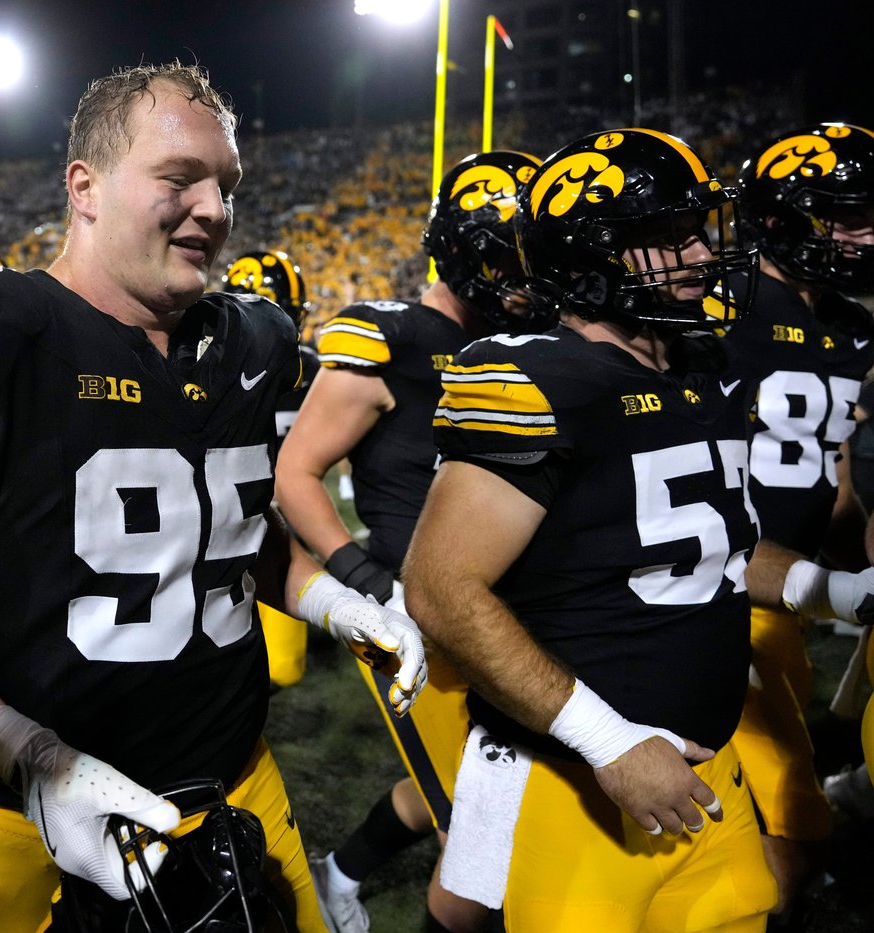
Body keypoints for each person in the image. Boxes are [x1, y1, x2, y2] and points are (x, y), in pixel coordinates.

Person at [0, 62, 424, 931]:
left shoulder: (250, 337)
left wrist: (331, 601)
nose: (213, 208)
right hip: (33, 818)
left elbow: (223, 523)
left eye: (226, 185)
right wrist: (28, 757)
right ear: (83, 187)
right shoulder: (0, 335)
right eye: (178, 178)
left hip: (237, 780)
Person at [405, 129, 781, 930]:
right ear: (589, 257)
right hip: (579, 780)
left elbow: (716, 552)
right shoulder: (542, 377)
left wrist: (838, 589)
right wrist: (608, 741)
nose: (699, 251)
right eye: (666, 238)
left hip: (710, 769)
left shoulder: (701, 364)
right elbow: (439, 587)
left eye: (697, 229)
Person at [276, 150, 548, 933]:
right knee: (483, 816)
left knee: (482, 782)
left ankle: (342, 870)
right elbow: (296, 472)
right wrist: (364, 579)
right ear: (467, 254)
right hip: (408, 604)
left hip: (504, 599)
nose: (530, 281)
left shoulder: (526, 345)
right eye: (514, 261)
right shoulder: (386, 338)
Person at [724, 121, 874, 921]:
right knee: (790, 820)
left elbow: (838, 470)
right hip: (713, 585)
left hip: (791, 589)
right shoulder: (721, 304)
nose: (867, 232)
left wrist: (851, 566)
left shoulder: (853, 323)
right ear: (787, 217)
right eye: (846, 215)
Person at [223, 248, 319, 689]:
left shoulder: (200, 366)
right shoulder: (308, 368)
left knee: (278, 668)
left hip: (248, 527)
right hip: (254, 527)